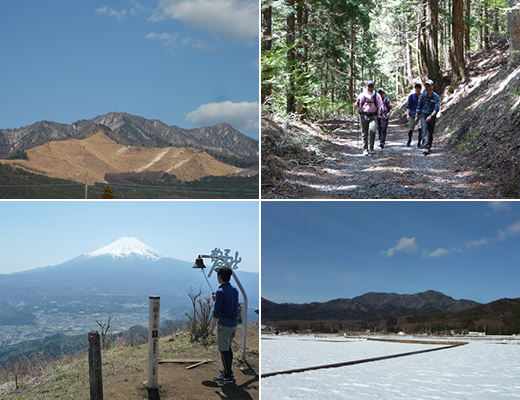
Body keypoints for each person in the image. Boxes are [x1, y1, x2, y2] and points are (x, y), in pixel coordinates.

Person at [209, 266, 239, 384]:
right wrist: (218, 299)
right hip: (233, 325)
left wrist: (212, 327)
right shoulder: (234, 290)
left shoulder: (220, 291)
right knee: (228, 348)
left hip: (224, 326)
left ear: (220, 277)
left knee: (224, 350)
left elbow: (217, 311)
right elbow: (231, 304)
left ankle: (227, 376)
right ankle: (228, 371)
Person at [354, 80, 384, 156]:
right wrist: (357, 102)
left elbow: (380, 104)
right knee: (364, 133)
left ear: (373, 87)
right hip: (363, 115)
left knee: (372, 131)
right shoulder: (362, 95)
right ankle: (365, 149)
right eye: (369, 86)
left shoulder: (377, 95)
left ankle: (371, 147)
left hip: (373, 116)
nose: (370, 88)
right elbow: (356, 106)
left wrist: (381, 109)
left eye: (371, 86)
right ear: (366, 87)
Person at [415, 79, 440, 155]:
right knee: (424, 130)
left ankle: (429, 145)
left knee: (430, 131)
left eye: (429, 86)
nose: (428, 87)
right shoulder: (422, 96)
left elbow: (436, 108)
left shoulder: (436, 96)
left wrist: (431, 116)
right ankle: (425, 147)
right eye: (426, 86)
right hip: (423, 114)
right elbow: (419, 106)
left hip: (432, 115)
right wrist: (416, 116)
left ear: (432, 86)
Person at [406, 83, 423, 147]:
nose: (417, 89)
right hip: (412, 115)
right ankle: (409, 140)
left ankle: (419, 143)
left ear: (420, 89)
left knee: (420, 128)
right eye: (416, 88)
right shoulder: (411, 96)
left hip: (420, 115)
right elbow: (408, 106)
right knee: (411, 129)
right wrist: (407, 115)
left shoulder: (422, 96)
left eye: (418, 88)